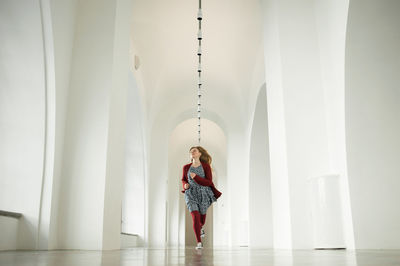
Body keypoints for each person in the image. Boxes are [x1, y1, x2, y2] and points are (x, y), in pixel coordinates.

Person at [181, 146, 222, 249]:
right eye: (191, 151)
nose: (192, 152)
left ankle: (201, 227)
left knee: (201, 220)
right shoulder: (186, 167)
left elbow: (208, 182)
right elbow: (183, 179)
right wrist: (185, 184)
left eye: (194, 151)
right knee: (195, 216)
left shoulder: (206, 166)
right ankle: (199, 242)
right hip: (190, 193)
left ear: (199, 154)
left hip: (204, 193)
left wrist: (196, 177)